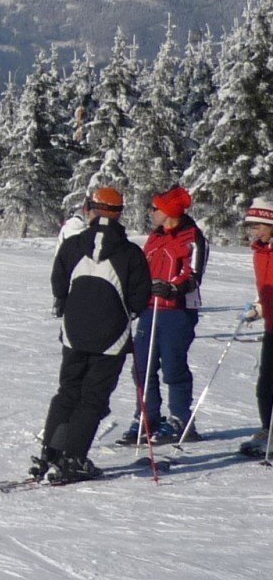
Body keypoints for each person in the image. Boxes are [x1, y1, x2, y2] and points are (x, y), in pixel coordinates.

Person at [34, 186, 152, 484]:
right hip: (111, 336)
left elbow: (58, 285)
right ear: (119, 214)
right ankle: (73, 458)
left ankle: (51, 452)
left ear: (90, 208)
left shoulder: (72, 244)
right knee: (93, 398)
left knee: (68, 391)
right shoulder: (130, 252)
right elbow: (140, 299)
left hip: (74, 332)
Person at [116, 186, 209, 444]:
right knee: (142, 367)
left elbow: (193, 275)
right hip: (150, 308)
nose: (151, 212)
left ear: (169, 212)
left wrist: (171, 288)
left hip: (177, 312)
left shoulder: (191, 237)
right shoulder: (155, 236)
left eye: (155, 208)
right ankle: (147, 417)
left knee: (172, 367)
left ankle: (181, 420)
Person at [237, 196, 273, 458]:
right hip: (272, 326)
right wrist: (260, 307)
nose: (255, 231)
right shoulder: (261, 252)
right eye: (252, 227)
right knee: (265, 383)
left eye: (259, 225)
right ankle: (266, 429)